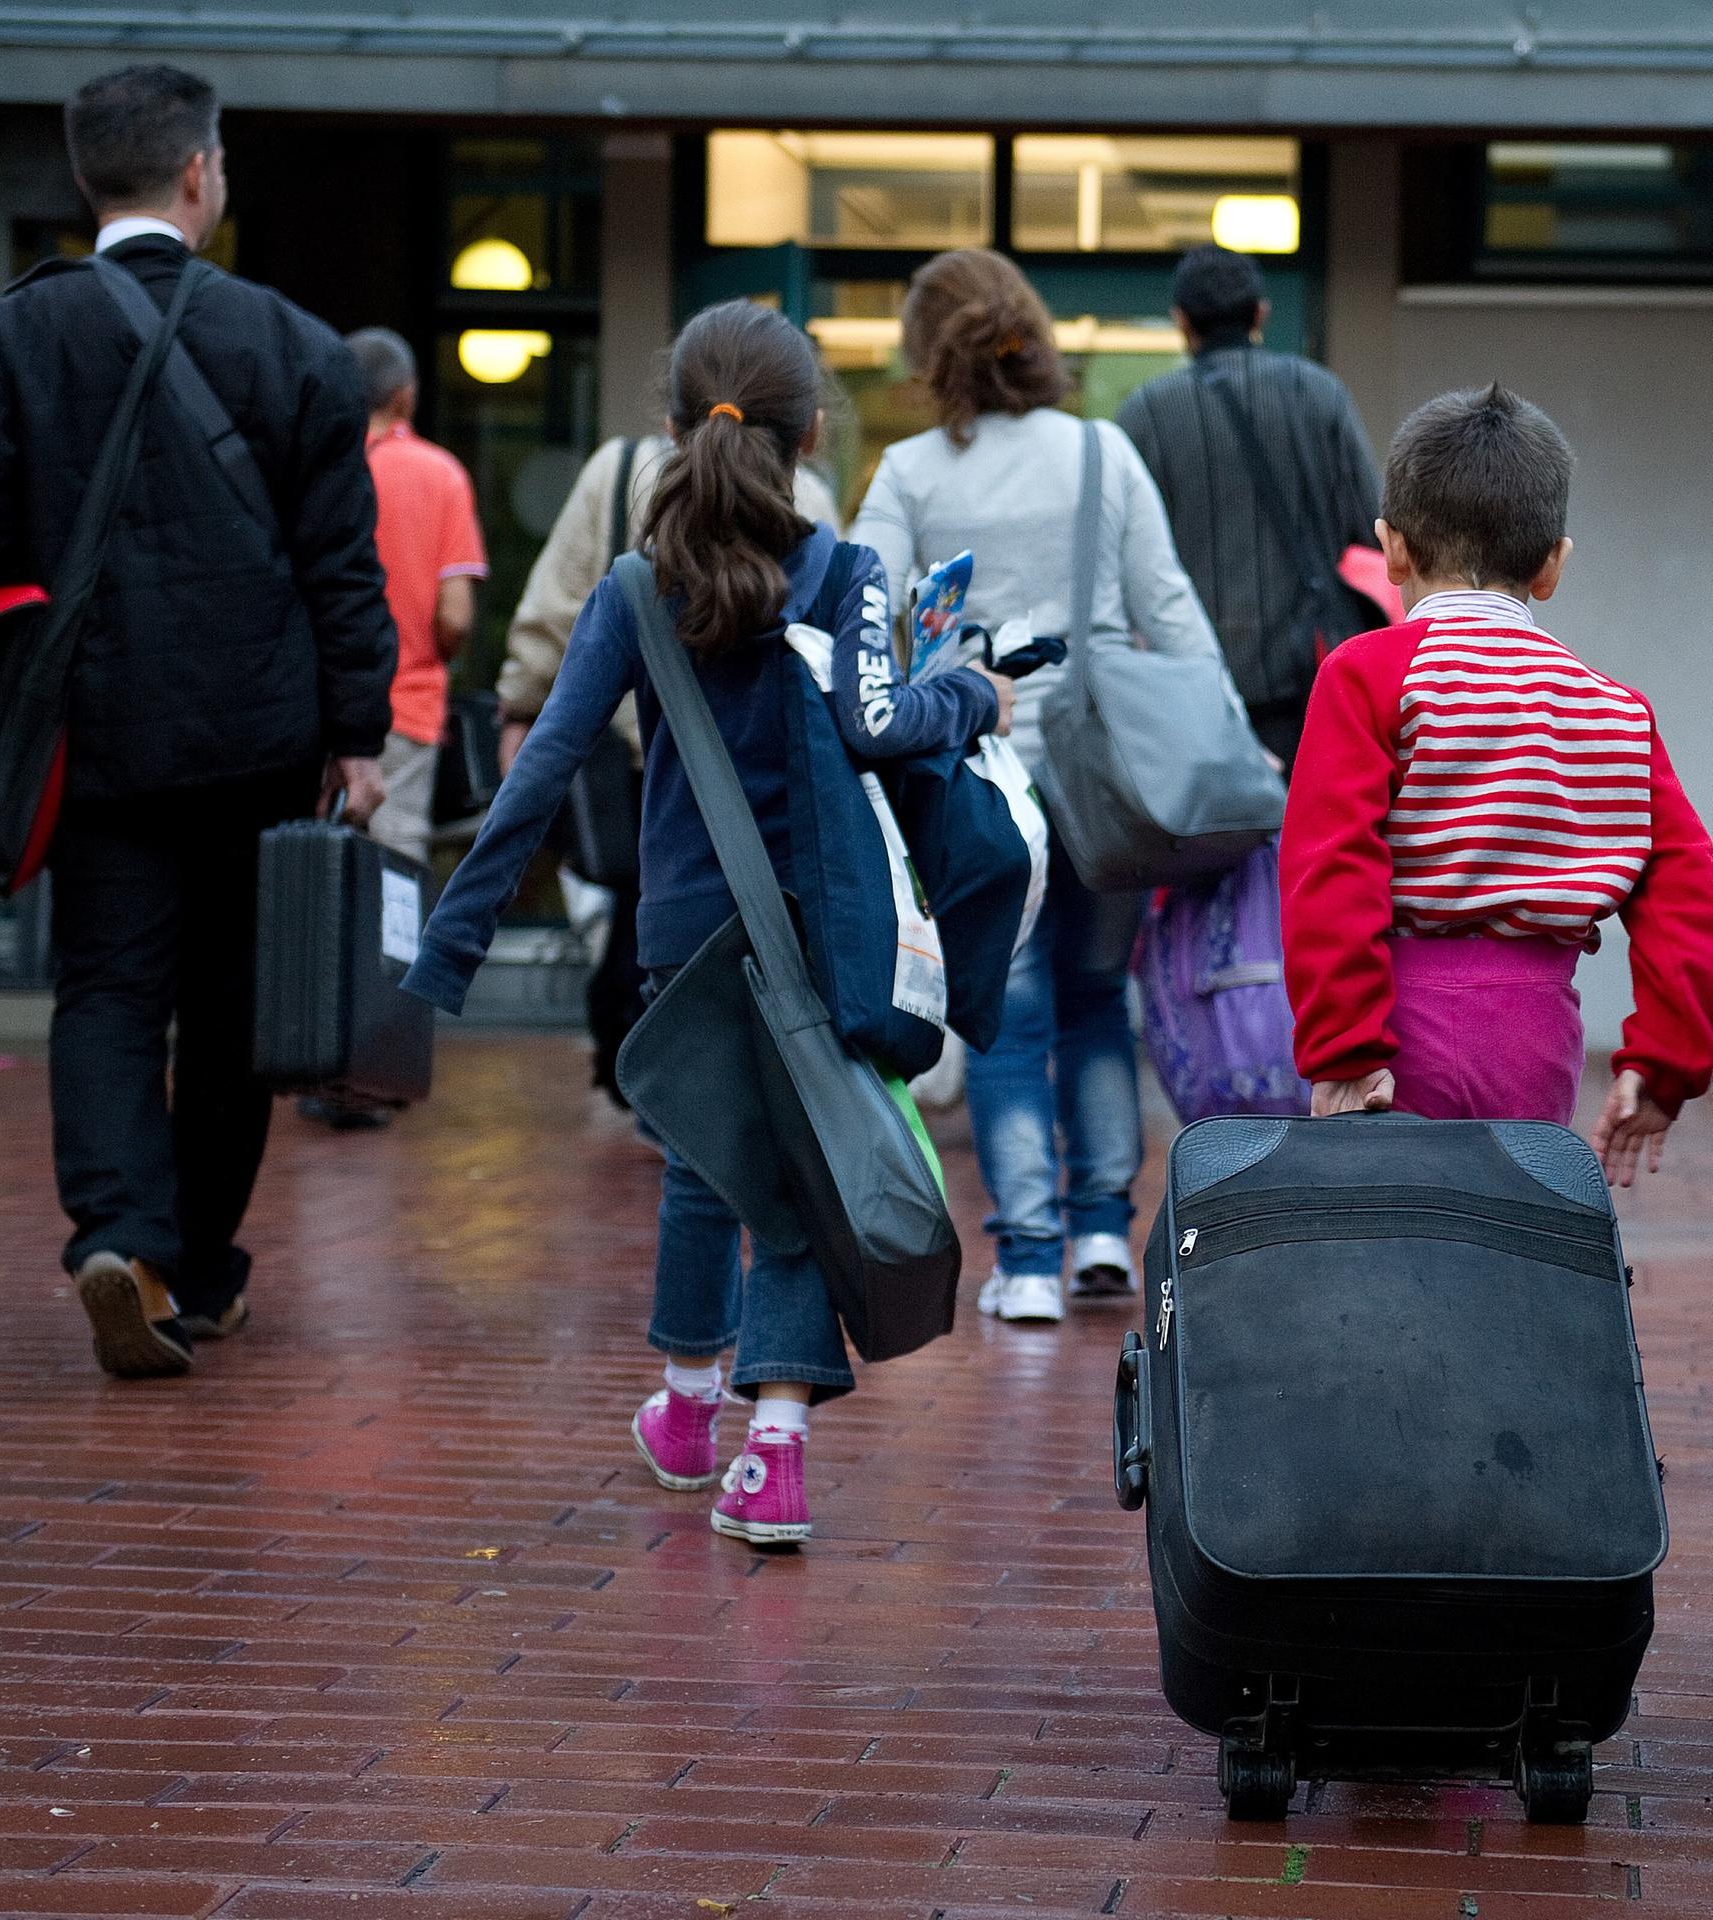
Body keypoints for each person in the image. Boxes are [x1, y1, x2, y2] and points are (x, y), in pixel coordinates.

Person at [404, 300, 1010, 1545]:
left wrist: (446, 951)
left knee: (703, 1157)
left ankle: (687, 1413)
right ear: (812, 433)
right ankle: (773, 1449)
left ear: (675, 429)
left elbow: (540, 772)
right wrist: (972, 695)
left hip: (683, 926)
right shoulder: (844, 572)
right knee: (801, 1155)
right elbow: (880, 725)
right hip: (817, 921)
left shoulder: (636, 588)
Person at [0, 64, 397, 1378]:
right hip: (260, 734)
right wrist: (357, 733)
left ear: (86, 179)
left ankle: (120, 1235)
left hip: (95, 729)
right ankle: (200, 1267)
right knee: (237, 1011)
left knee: (109, 988)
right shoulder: (294, 344)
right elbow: (343, 565)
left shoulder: (4, 341)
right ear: (197, 173)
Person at [850, 248, 1234, 1323]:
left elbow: (862, 614)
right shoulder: (1103, 453)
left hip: (979, 782)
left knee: (1007, 1015)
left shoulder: (911, 472)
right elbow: (1172, 614)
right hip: (1108, 784)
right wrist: (1219, 742)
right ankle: (1103, 1229)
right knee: (1097, 998)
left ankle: (1026, 1261)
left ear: (929, 353)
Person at [1280, 383, 1713, 1185]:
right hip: (1536, 1035)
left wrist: (1344, 1047)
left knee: (1392, 1239)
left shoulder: (1366, 675)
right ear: (1553, 566)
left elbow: (1330, 866)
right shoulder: (1615, 707)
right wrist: (1665, 1059)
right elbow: (1686, 885)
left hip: (1397, 1031)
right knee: (1506, 1237)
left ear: (1392, 549)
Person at [496, 428, 839, 1102]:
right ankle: (715, 1089)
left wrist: (522, 705)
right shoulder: (810, 497)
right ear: (804, 426)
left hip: (645, 748)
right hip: (762, 766)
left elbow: (557, 604)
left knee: (649, 910)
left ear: (675, 416)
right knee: (752, 926)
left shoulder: (621, 469)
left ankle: (657, 1081)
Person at [1118, 244, 1382, 769]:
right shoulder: (1319, 393)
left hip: (1192, 690)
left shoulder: (1144, 414)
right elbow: (1369, 525)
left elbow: (1122, 559)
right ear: (1260, 314)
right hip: (1308, 678)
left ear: (1181, 321)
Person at [345, 327, 488, 868]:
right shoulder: (440, 474)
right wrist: (437, 653)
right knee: (394, 874)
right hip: (406, 709)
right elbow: (455, 616)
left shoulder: (321, 468)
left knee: (311, 874)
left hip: (314, 707)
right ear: (405, 395)